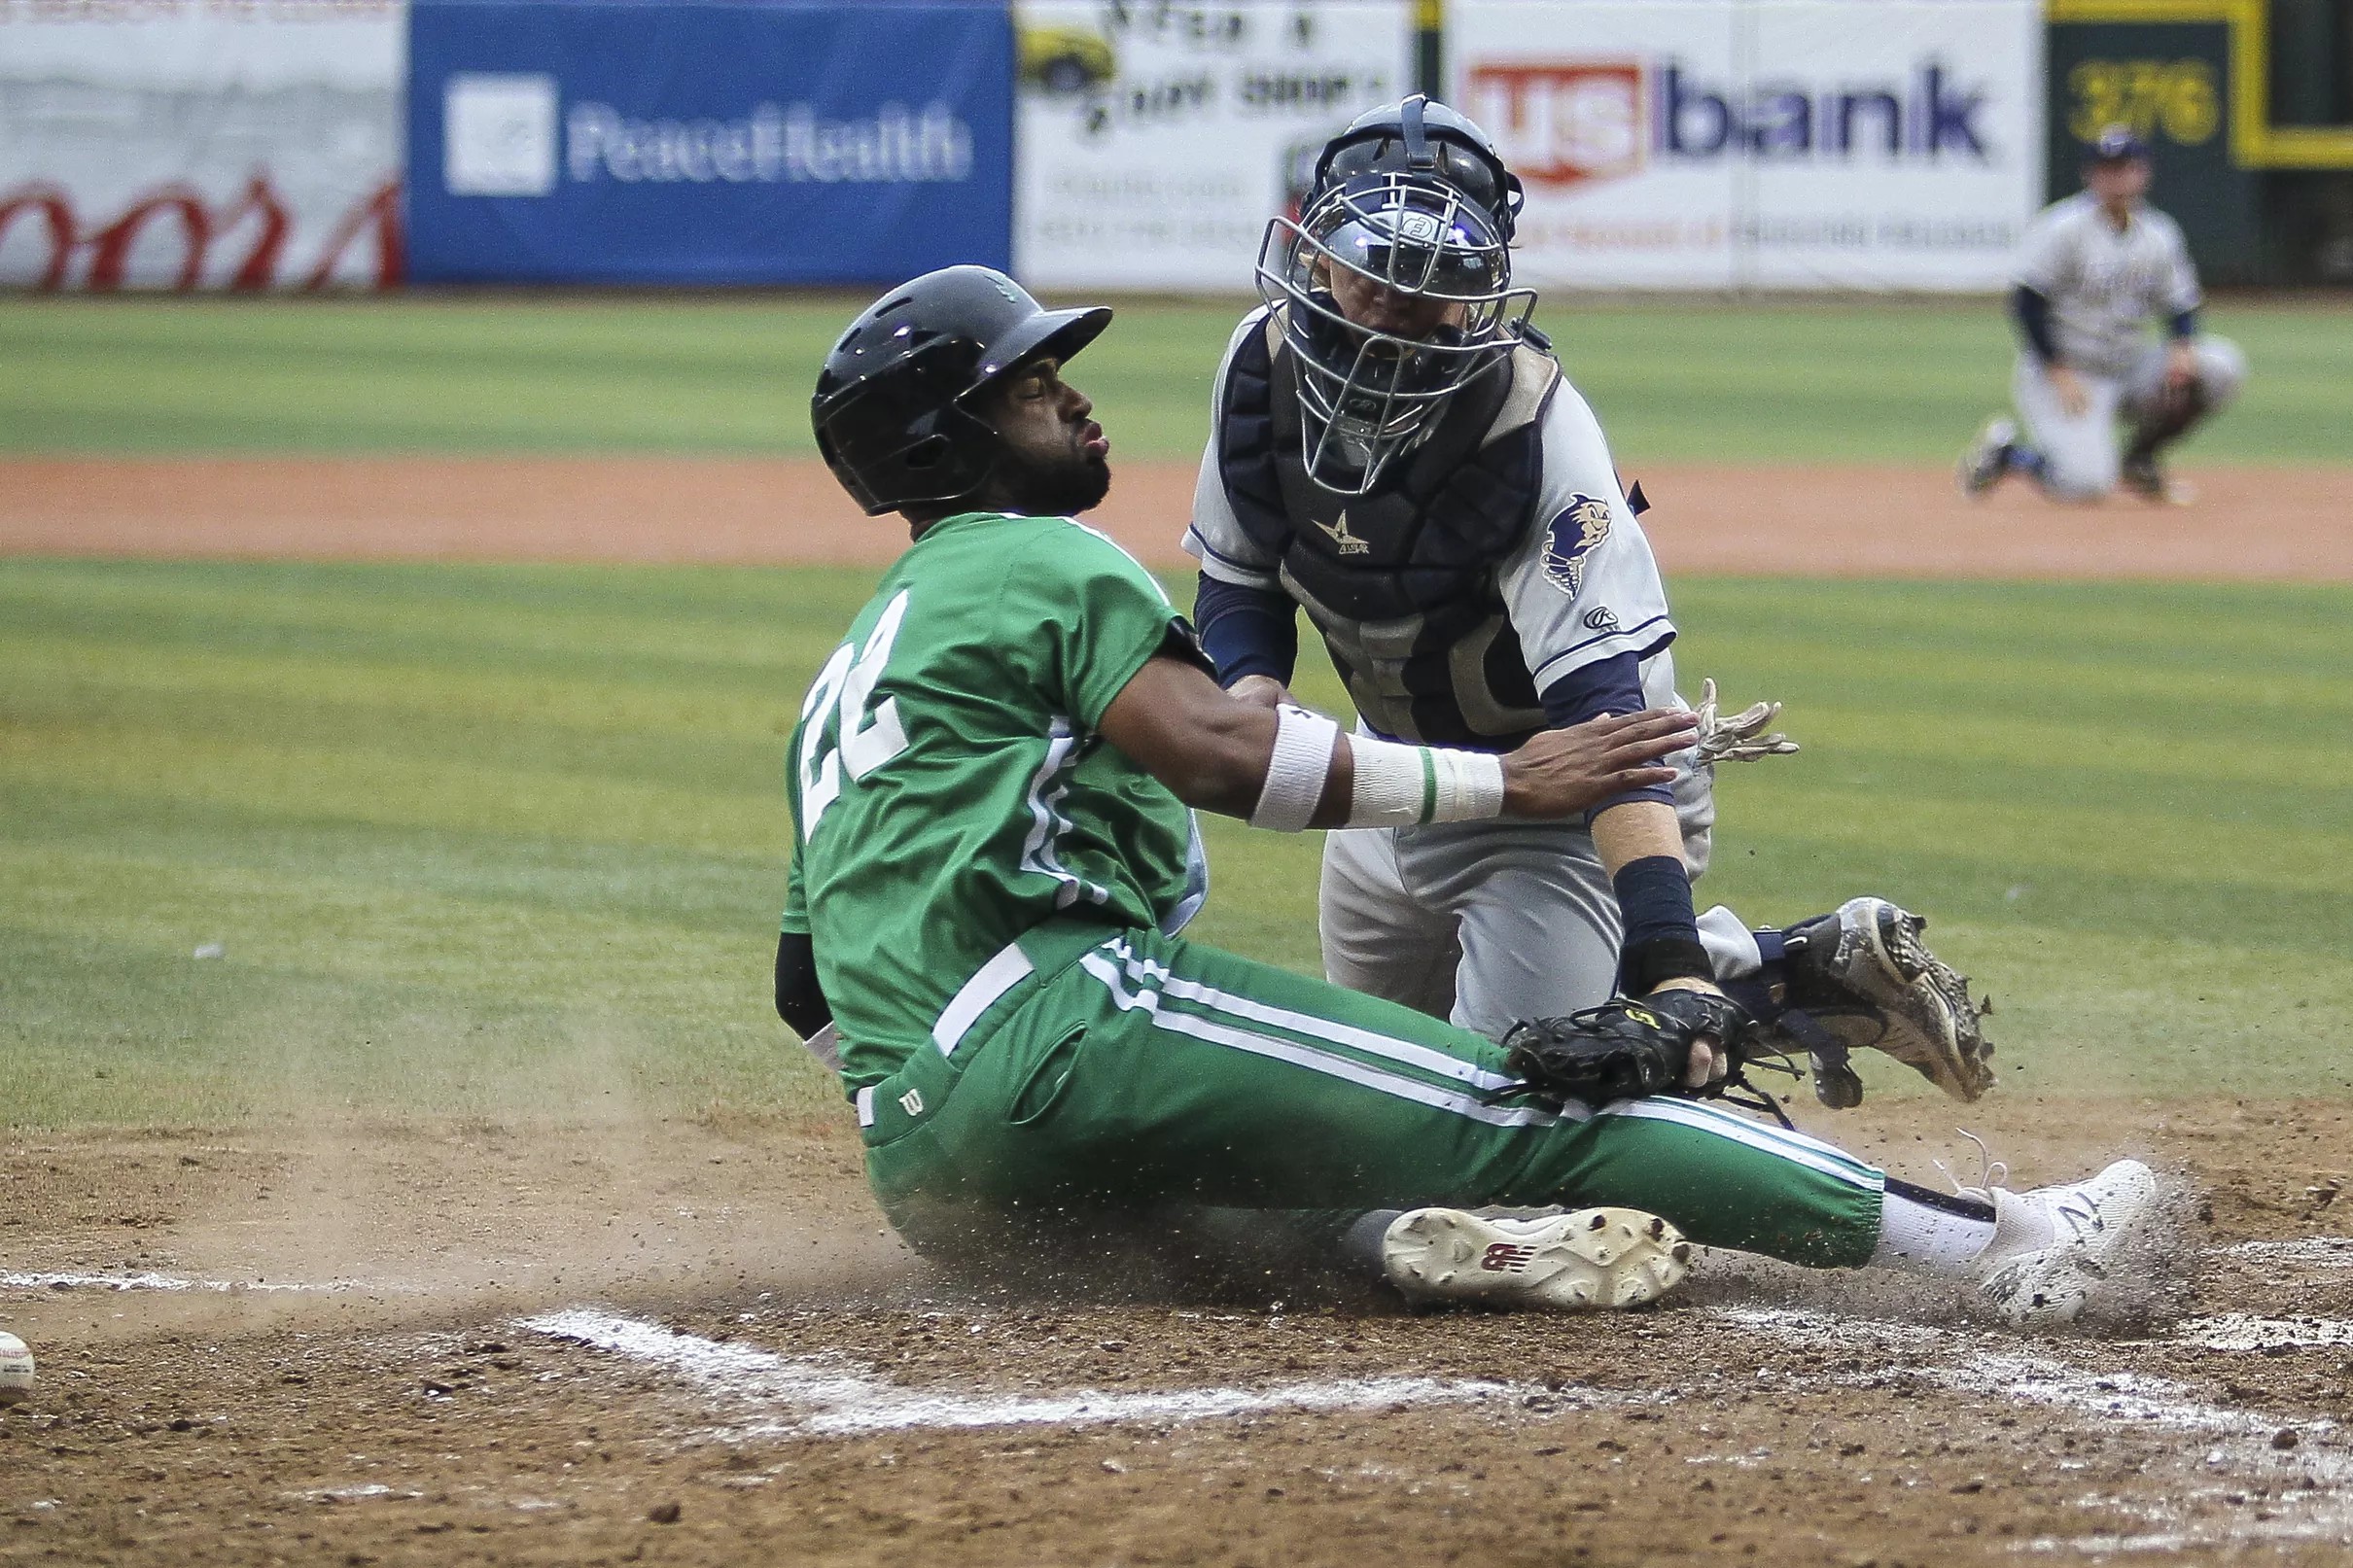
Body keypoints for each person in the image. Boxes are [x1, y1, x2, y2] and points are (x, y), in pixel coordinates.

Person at [775, 261, 2157, 1328]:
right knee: (1534, 1106)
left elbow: (808, 992)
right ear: (949, 446)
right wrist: (1515, 774)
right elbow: (1222, 757)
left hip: (934, 1177)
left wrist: (947, 1107)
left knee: (1350, 1204)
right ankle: (2016, 1244)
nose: (1073, 393)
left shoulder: (847, 675)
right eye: (1030, 387)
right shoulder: (1037, 560)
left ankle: (1701, 1028)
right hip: (1061, 1030)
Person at [1183, 95, 1988, 1111]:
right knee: (1381, 1100)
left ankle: (1772, 977)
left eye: (1433, 281)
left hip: (1570, 796)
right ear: (1312, 256)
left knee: (1519, 1111)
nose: (1392, 308)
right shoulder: (1257, 369)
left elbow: (1609, 723)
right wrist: (1252, 688)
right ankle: (1793, 965)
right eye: (1369, 271)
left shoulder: (1534, 432)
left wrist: (1671, 968)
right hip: (1394, 774)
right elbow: (1239, 575)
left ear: (1481, 288)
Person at [1960, 123, 2246, 505]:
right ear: (2090, 174)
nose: (2117, 177)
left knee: (2220, 367)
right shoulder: (2063, 228)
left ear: (2144, 172)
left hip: (2128, 369)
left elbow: (2181, 302)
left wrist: (2181, 347)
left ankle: (2140, 460)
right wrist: (2056, 370)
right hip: (2068, 373)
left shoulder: (2159, 233)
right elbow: (2026, 302)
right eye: (2107, 168)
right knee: (2085, 484)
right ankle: (2010, 455)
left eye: (2126, 167)